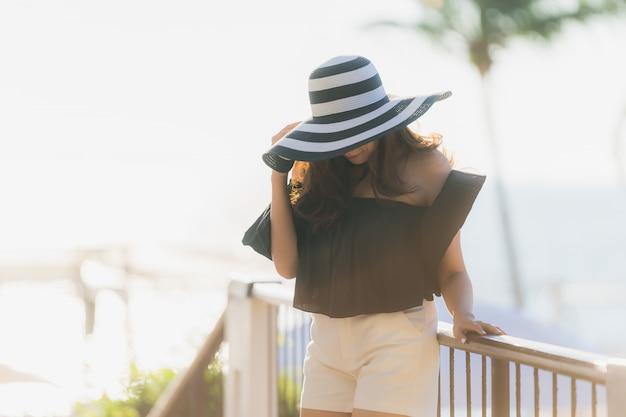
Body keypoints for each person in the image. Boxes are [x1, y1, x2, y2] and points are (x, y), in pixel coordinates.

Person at [243, 55, 504, 417]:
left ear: (382, 119)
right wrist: (279, 172)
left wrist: (463, 313)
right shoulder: (318, 170)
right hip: (327, 343)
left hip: (396, 340)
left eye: (357, 130)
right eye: (338, 133)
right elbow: (287, 266)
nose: (349, 144)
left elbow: (452, 268)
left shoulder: (426, 170)